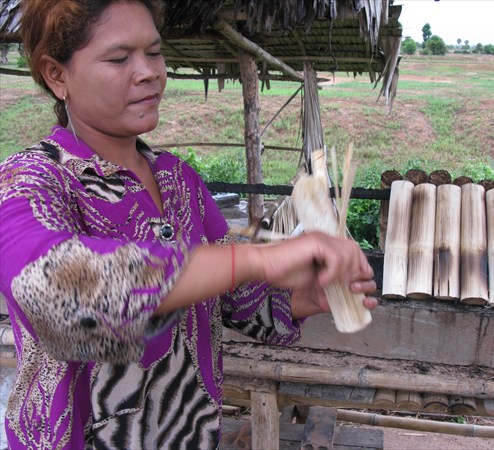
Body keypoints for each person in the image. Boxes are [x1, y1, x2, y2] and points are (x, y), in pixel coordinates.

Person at [0, 0, 378, 448]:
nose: (148, 72)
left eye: (154, 52)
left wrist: (301, 297)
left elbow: (236, 301)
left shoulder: (179, 180)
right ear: (56, 74)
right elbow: (59, 294)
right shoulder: (30, 181)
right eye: (119, 58)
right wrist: (253, 258)